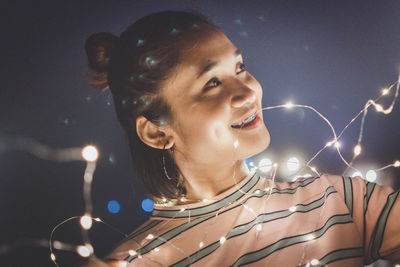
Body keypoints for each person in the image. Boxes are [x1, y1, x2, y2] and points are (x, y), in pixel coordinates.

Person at [82, 10, 400, 266]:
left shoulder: (341, 201)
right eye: (212, 83)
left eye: (240, 67)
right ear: (156, 131)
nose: (247, 91)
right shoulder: (135, 262)